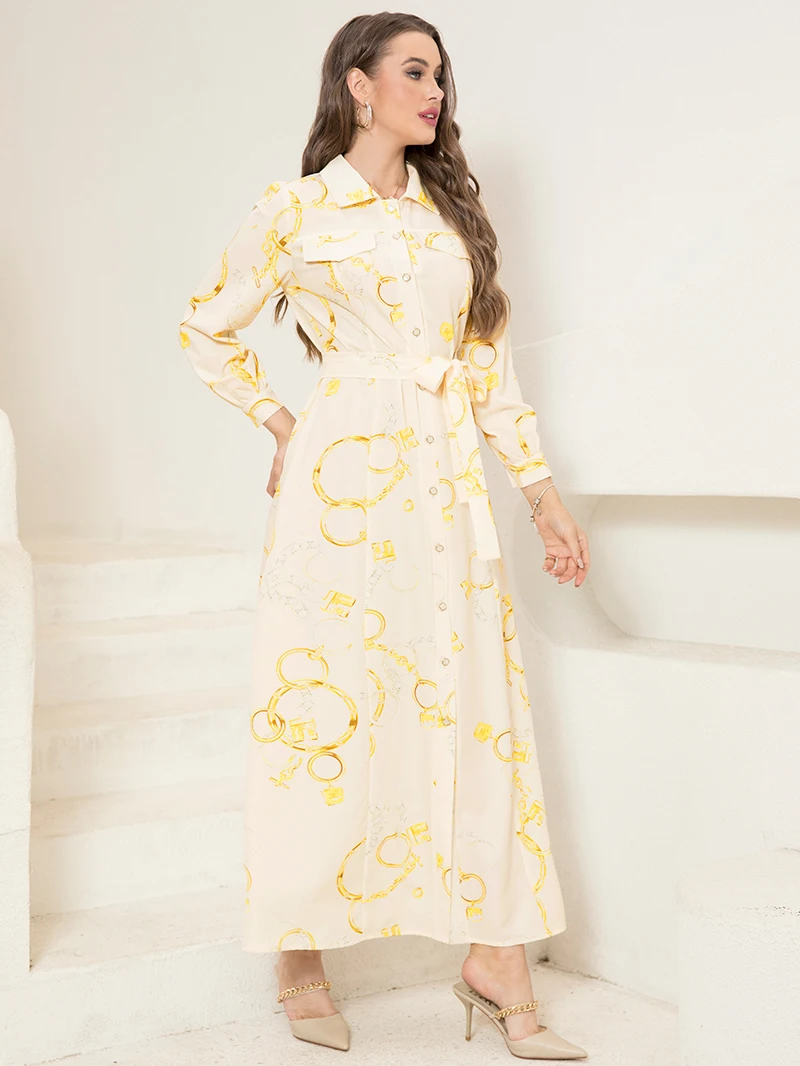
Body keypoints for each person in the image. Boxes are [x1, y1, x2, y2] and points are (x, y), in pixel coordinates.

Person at [178, 11, 590, 1060]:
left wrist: (540, 493)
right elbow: (204, 325)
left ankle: (496, 955)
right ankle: (297, 951)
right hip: (341, 483)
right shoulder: (295, 210)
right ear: (357, 85)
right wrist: (281, 421)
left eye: (440, 75)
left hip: (446, 486)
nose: (435, 91)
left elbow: (487, 367)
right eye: (414, 71)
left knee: (474, 709)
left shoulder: (451, 220)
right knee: (323, 702)